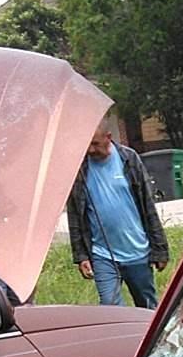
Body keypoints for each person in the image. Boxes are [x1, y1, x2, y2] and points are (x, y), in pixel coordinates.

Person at [68, 121, 168, 306]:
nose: (90, 150)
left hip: (137, 251)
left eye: (96, 144)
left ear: (109, 138)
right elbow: (75, 214)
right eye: (87, 144)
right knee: (110, 307)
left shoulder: (129, 159)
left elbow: (148, 206)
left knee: (146, 307)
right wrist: (81, 255)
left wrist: (160, 249)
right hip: (102, 254)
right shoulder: (80, 168)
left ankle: (145, 335)